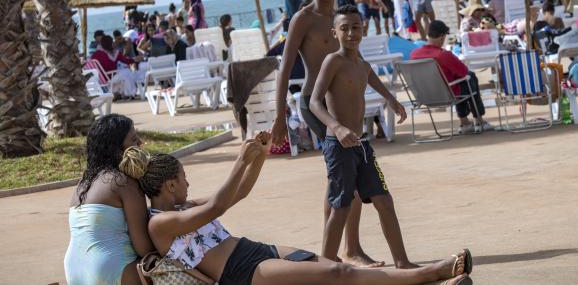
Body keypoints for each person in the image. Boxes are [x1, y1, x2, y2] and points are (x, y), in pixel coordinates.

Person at [123, 131, 473, 285]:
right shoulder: (162, 224)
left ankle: (430, 280)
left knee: (332, 269)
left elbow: (237, 195)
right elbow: (217, 205)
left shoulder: (183, 205)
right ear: (169, 184)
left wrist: (259, 156)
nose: (188, 184)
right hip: (241, 274)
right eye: (184, 178)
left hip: (253, 251)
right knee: (339, 276)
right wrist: (238, 159)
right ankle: (433, 273)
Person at [273, 0, 397, 268]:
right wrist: (278, 116)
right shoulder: (303, 19)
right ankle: (346, 251)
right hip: (315, 105)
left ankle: (342, 251)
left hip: (342, 106)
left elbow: (360, 61)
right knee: (345, 178)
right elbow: (285, 68)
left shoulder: (344, 16)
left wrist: (390, 97)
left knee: (339, 179)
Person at [310, 4, 418, 269]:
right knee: (341, 206)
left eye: (355, 27)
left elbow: (370, 78)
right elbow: (314, 101)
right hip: (338, 145)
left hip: (361, 145)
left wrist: (392, 100)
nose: (350, 33)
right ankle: (325, 269)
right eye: (344, 28)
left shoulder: (362, 63)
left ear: (363, 29)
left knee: (384, 200)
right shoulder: (332, 61)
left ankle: (402, 262)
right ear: (334, 32)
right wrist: (336, 127)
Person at [64, 114, 155, 285]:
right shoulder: (123, 182)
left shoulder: (83, 184)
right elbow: (143, 246)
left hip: (74, 268)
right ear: (117, 149)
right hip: (112, 266)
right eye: (134, 140)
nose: (140, 143)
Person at [410, 20, 494, 133]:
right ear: (441, 37)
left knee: (459, 81)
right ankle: (479, 120)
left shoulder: (414, 55)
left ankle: (465, 123)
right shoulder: (443, 55)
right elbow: (464, 72)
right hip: (445, 95)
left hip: (424, 97)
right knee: (470, 77)